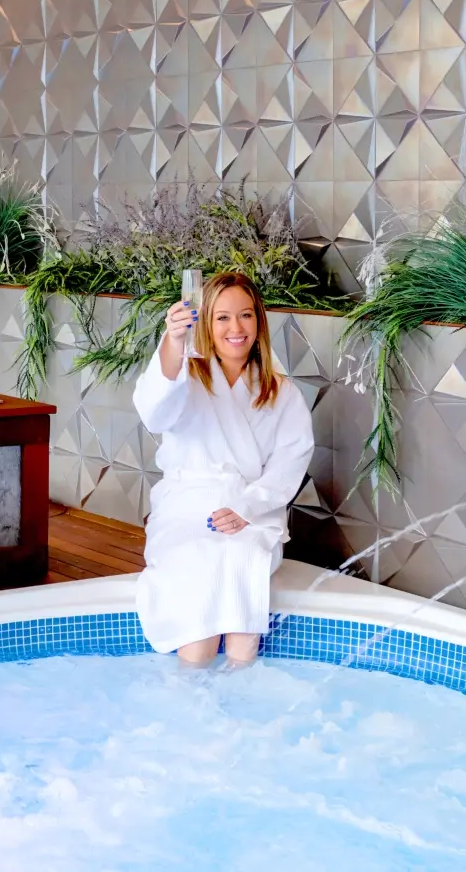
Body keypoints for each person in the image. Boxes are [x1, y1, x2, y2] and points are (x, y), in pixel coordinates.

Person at [133, 270, 314, 668]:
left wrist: (247, 508)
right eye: (223, 318)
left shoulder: (280, 390)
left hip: (252, 512)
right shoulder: (186, 374)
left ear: (259, 322)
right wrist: (175, 340)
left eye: (247, 315)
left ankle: (237, 685)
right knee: (199, 570)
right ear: (206, 324)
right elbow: (153, 412)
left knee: (241, 559)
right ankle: (194, 687)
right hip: (187, 509)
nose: (237, 328)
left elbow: (291, 461)